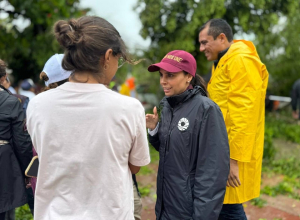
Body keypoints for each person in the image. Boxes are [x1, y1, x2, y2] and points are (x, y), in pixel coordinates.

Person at [26, 16, 150, 220]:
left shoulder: (38, 105)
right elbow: (135, 165)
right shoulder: (129, 108)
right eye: (118, 60)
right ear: (108, 56)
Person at [146, 50, 230, 220]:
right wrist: (154, 130)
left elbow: (212, 173)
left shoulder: (206, 109)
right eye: (161, 75)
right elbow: (173, 151)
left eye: (170, 75)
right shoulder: (168, 106)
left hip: (188, 212)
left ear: (188, 77)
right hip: (166, 206)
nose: (163, 81)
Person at [198, 18, 269, 219]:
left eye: (205, 42)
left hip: (230, 153)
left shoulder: (241, 60)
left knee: (228, 206)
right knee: (220, 204)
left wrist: (233, 161)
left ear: (221, 38)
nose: (202, 48)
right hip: (218, 148)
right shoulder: (222, 61)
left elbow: (243, 114)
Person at [0, 59, 32, 220]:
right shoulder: (11, 102)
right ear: (4, 77)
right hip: (3, 163)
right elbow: (22, 141)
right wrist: (28, 170)